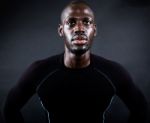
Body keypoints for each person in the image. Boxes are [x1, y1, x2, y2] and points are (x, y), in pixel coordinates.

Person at [2, 0, 148, 123]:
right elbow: (10, 108)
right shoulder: (39, 71)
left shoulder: (113, 72)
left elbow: (141, 109)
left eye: (86, 22)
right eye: (71, 22)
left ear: (94, 30)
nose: (79, 28)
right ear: (61, 30)